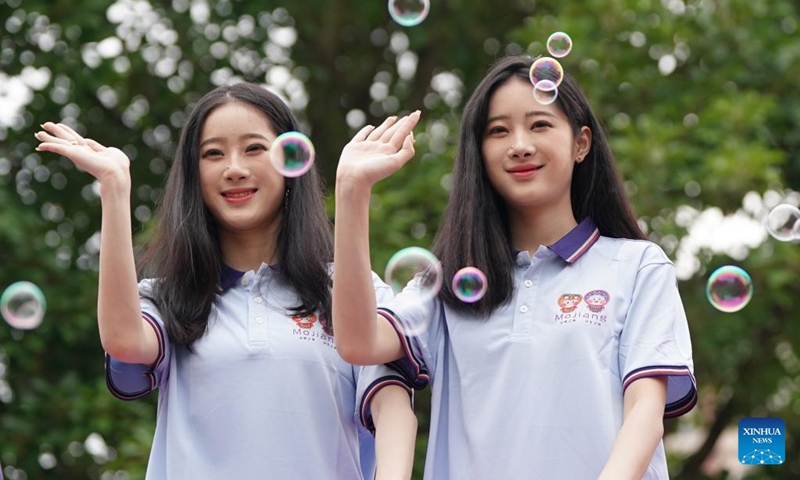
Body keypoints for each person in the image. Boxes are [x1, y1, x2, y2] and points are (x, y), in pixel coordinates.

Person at [332, 56, 697, 479]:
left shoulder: (638, 266)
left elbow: (645, 414)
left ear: (581, 143)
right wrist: (352, 191)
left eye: (539, 125)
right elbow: (358, 343)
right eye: (498, 130)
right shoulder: (447, 281)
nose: (519, 144)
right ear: (479, 152)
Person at [35, 82, 416, 480]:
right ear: (194, 174)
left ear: (290, 162)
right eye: (213, 153)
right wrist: (114, 189)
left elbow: (392, 410)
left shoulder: (347, 290)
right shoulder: (169, 298)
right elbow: (124, 341)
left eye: (254, 148)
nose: (234, 169)